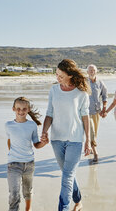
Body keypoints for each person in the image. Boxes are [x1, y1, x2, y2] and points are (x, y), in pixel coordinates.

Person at [41, 59, 91, 211]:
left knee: (67, 176)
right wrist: (44, 131)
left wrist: (88, 140)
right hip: (56, 139)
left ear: (70, 75)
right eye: (56, 74)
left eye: (60, 75)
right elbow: (49, 113)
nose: (57, 78)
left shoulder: (81, 93)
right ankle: (78, 200)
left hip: (75, 139)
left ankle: (63, 208)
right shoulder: (54, 90)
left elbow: (85, 117)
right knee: (67, 174)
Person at [5, 96, 48, 211]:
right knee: (14, 194)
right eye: (18, 108)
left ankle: (28, 209)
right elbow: (9, 141)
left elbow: (36, 144)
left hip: (29, 164)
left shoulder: (32, 125)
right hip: (13, 164)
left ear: (28, 110)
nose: (21, 111)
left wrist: (44, 143)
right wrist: (13, 154)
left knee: (27, 191)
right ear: (13, 109)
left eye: (24, 109)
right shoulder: (8, 125)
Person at [86, 64, 108, 162]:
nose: (92, 71)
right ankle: (95, 152)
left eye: (93, 70)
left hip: (96, 111)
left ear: (96, 71)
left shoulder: (100, 83)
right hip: (85, 112)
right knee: (92, 131)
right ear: (87, 72)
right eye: (90, 70)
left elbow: (105, 95)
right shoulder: (84, 82)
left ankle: (90, 144)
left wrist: (104, 108)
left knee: (95, 131)